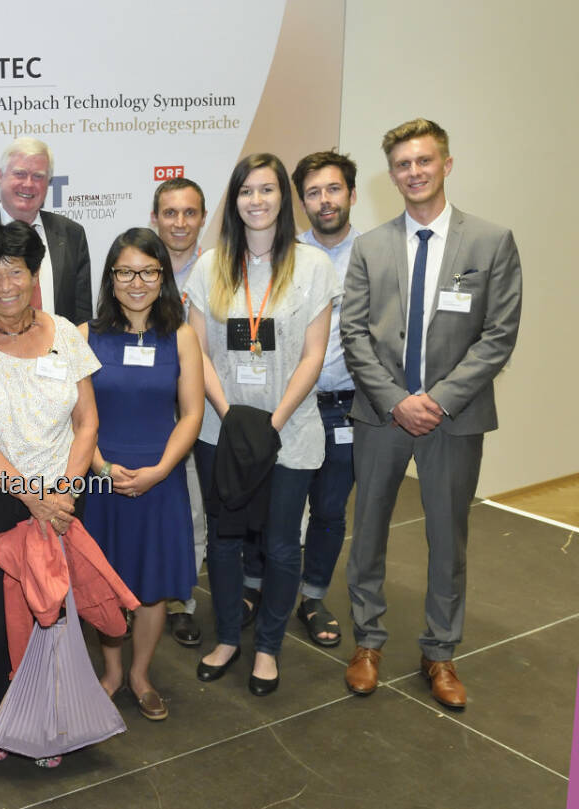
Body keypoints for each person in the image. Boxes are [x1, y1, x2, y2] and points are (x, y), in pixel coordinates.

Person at [341, 119, 522, 709]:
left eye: (424, 160)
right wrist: (397, 400)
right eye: (402, 164)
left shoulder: (491, 242)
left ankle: (440, 652)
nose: (413, 172)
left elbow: (498, 337)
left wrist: (438, 400)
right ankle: (368, 642)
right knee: (366, 532)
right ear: (390, 174)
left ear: (447, 163)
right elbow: (354, 333)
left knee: (449, 539)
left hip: (454, 418)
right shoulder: (370, 246)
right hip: (380, 414)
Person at [0, 220, 99, 761]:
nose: (4, 284)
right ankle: (0, 718)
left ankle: (51, 721)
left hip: (61, 499)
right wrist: (33, 496)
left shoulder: (66, 336)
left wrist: (67, 493)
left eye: (15, 270)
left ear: (34, 275)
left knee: (53, 612)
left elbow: (88, 422)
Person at [183, 154, 338, 697]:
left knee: (279, 545)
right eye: (246, 190)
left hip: (289, 431)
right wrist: (231, 419)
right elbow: (197, 353)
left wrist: (270, 424)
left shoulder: (313, 265)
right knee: (224, 541)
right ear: (236, 199)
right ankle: (227, 637)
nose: (257, 200)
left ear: (282, 199)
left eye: (268, 190)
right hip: (222, 433)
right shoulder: (210, 266)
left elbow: (313, 355)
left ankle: (268, 647)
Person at [79, 227, 203, 721]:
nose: (137, 282)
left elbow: (191, 414)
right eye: (126, 271)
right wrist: (101, 468)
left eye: (149, 272)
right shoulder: (85, 336)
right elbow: (76, 416)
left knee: (151, 586)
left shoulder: (183, 336)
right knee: (105, 582)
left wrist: (158, 472)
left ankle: (140, 674)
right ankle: (111, 673)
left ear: (163, 277)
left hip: (160, 476)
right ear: (111, 278)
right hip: (100, 477)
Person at [285, 151, 365, 647]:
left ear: (352, 194)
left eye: (333, 189)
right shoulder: (287, 253)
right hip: (290, 404)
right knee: (272, 505)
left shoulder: (377, 253)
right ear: (303, 203)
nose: (324, 200)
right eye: (313, 193)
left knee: (330, 510)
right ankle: (255, 588)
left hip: (346, 405)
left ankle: (312, 597)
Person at [150, 177, 210, 647]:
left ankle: (182, 600)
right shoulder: (138, 269)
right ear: (154, 219)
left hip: (203, 406)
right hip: (149, 407)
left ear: (203, 219)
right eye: (170, 212)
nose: (180, 222)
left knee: (195, 508)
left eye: (189, 213)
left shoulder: (218, 271)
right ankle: (153, 592)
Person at [0, 137, 93, 324]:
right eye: (19, 174)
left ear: (48, 182)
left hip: (57, 349)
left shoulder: (71, 234)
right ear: (0, 176)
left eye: (38, 176)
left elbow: (81, 314)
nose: (28, 184)